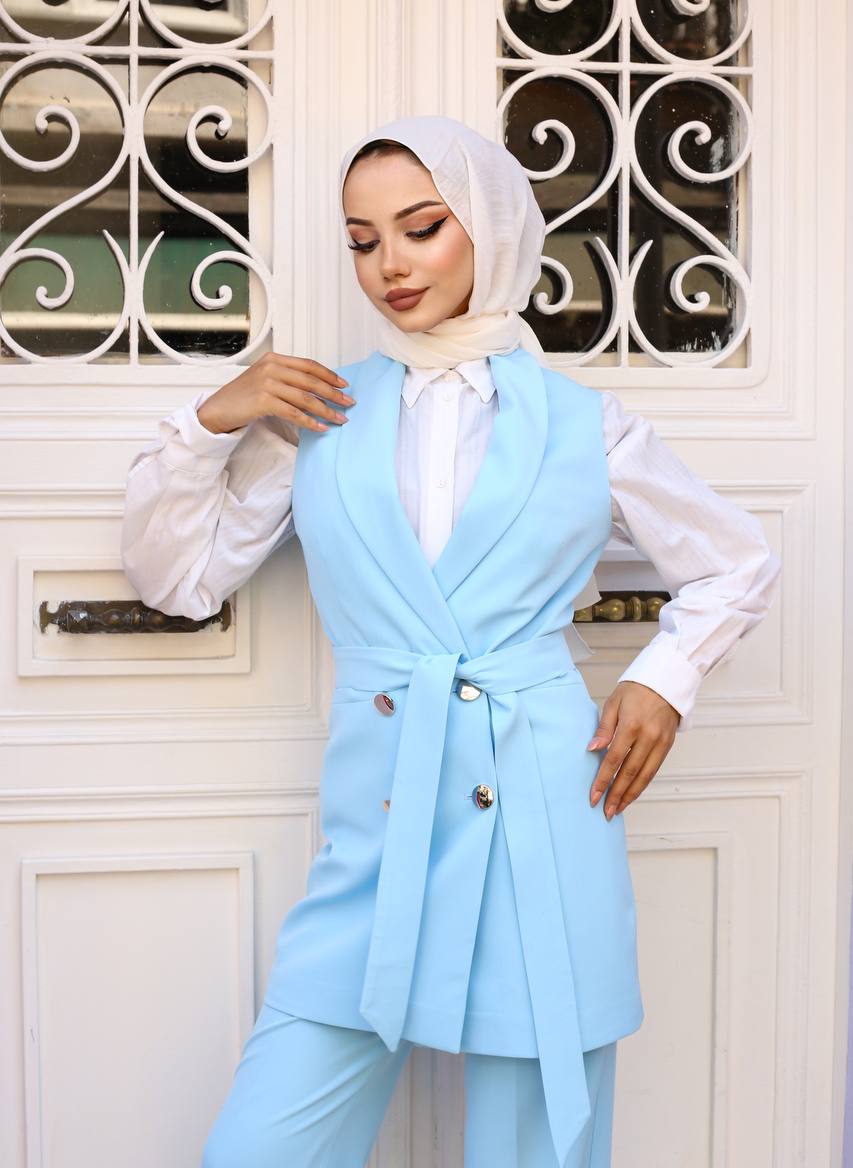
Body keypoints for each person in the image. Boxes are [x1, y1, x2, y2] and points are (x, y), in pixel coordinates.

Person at [120, 115, 782, 1167]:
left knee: (536, 1144)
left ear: (490, 225)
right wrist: (213, 420)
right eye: (362, 239)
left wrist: (664, 679)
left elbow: (734, 558)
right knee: (262, 1144)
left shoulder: (585, 423)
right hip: (375, 821)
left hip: (543, 814)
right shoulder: (321, 413)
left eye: (421, 228)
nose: (389, 264)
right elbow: (176, 577)